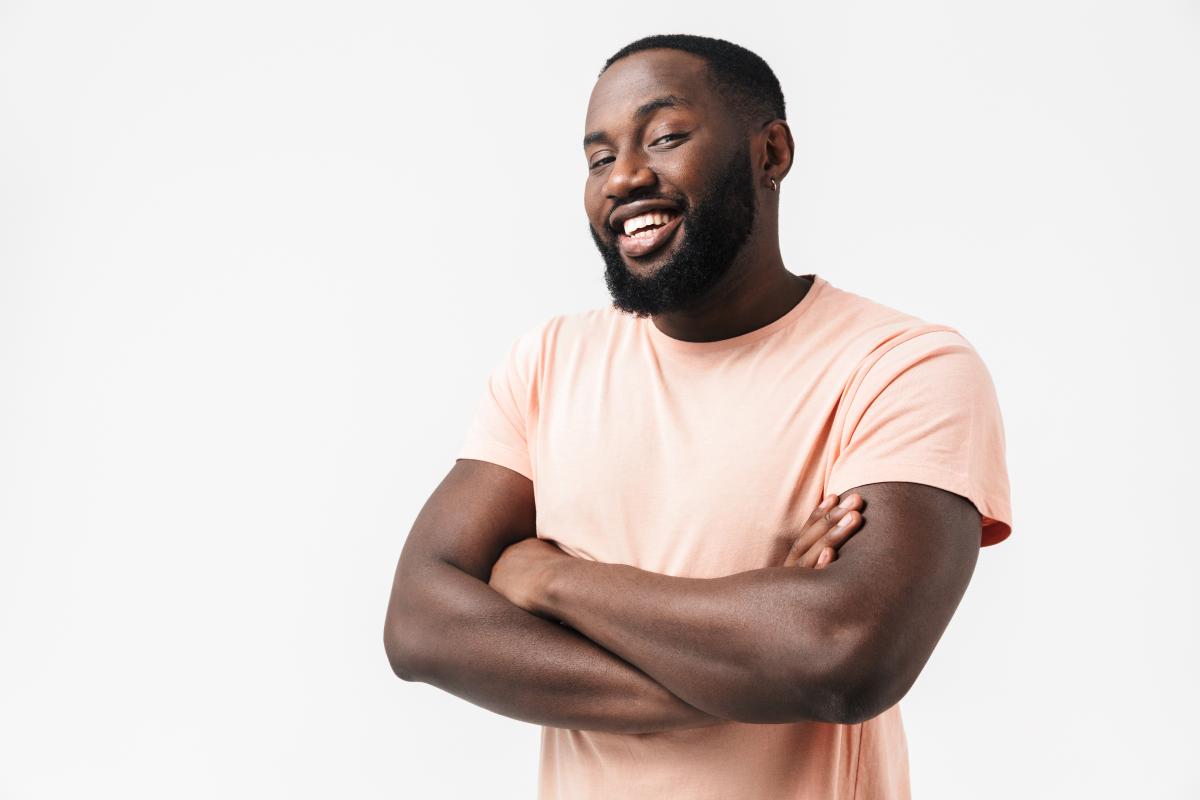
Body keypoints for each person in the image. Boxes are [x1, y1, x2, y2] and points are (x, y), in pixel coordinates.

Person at [383, 33, 1012, 800]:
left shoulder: (901, 366)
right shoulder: (548, 362)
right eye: (599, 158)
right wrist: (751, 658)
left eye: (665, 137)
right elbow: (419, 623)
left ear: (771, 153)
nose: (624, 177)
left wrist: (548, 578)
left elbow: (843, 657)